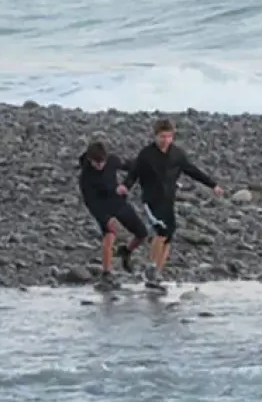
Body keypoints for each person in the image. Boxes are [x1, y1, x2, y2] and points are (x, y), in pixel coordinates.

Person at [120, 118, 224, 287]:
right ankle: (151, 268)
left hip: (168, 200)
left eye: (169, 136)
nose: (165, 140)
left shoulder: (177, 154)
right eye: (162, 136)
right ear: (155, 136)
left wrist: (213, 185)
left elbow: (192, 171)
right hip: (151, 199)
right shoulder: (146, 154)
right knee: (160, 231)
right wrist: (125, 186)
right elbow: (133, 174)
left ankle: (157, 274)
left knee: (168, 236)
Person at [78, 140, 150, 286]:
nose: (100, 166)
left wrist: (126, 185)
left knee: (142, 234)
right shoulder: (85, 177)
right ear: (90, 160)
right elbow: (90, 202)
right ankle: (106, 272)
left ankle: (126, 252)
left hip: (117, 201)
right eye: (96, 163)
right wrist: (105, 220)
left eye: (102, 162)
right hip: (100, 206)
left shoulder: (112, 160)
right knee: (110, 233)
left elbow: (131, 168)